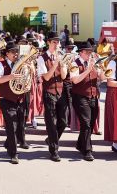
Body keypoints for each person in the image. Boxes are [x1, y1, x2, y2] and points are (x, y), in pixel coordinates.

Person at [70, 42, 106, 161]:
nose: (90, 54)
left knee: (90, 123)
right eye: (87, 52)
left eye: (91, 52)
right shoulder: (75, 63)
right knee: (85, 123)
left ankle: (80, 144)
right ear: (81, 52)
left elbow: (103, 78)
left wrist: (102, 69)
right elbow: (75, 80)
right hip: (79, 96)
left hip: (93, 96)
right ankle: (87, 150)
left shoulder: (93, 64)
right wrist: (87, 70)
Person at [0, 42, 27, 164]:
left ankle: (8, 143)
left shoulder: (21, 65)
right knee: (12, 126)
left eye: (17, 52)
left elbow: (25, 79)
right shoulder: (0, 65)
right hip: (6, 99)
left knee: (19, 127)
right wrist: (10, 77)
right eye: (13, 52)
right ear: (7, 54)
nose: (16, 54)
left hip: (20, 98)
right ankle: (14, 154)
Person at [37, 32, 68, 162]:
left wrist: (63, 65)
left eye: (58, 42)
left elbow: (64, 76)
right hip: (49, 92)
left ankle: (50, 140)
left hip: (61, 92)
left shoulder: (60, 56)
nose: (57, 45)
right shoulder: (41, 58)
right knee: (51, 123)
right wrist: (55, 65)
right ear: (49, 42)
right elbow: (47, 77)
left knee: (63, 122)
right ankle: (54, 150)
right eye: (54, 42)